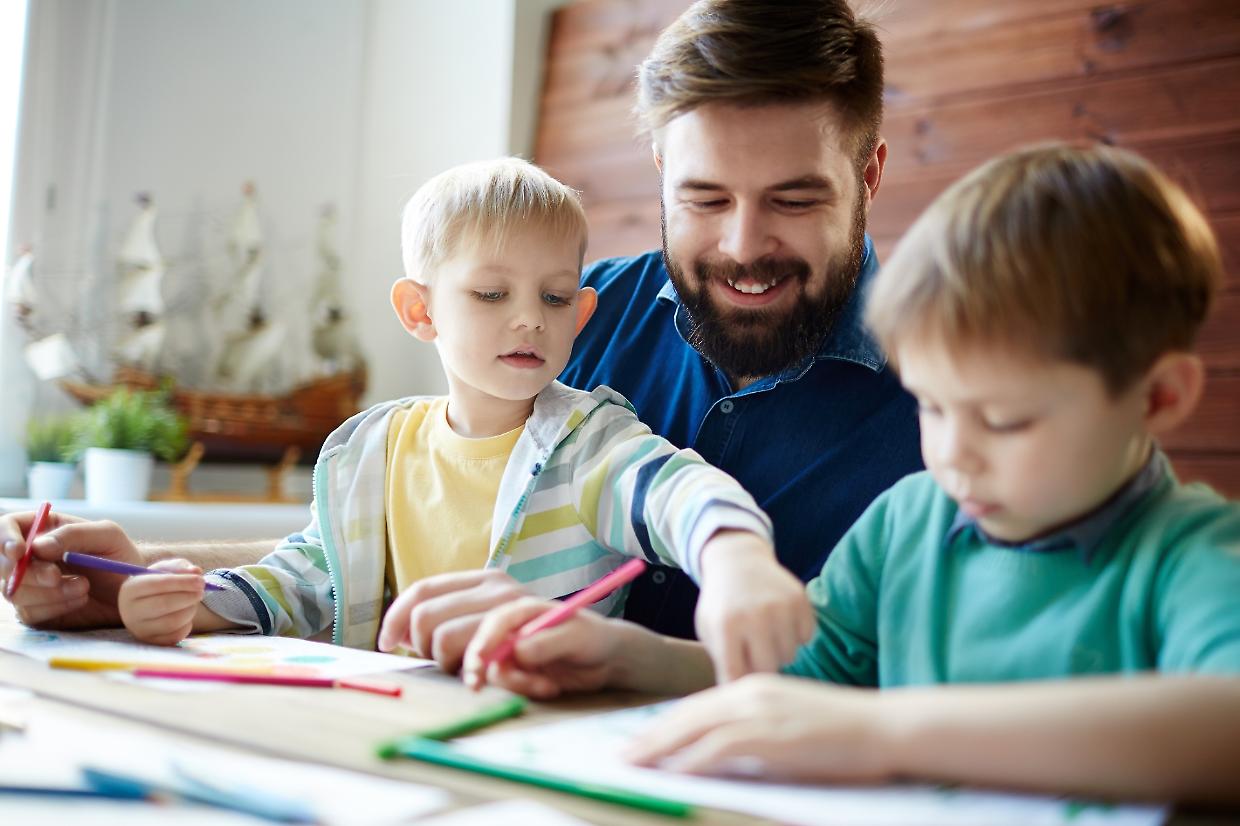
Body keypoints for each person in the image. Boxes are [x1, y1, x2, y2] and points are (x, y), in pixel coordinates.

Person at [2, 0, 922, 661]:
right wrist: (140, 579)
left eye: (795, 200)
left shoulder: (956, 397)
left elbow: (933, 686)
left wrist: (639, 657)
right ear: (658, 169)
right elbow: (370, 542)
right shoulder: (567, 317)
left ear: (871, 174)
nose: (743, 245)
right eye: (705, 197)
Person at [457, 144, 1240, 803]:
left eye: (1004, 420)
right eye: (932, 407)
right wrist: (626, 655)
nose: (953, 455)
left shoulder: (1190, 554)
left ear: (1159, 396)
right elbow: (800, 682)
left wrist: (884, 733)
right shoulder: (911, 520)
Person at [106, 158, 811, 671]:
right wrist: (197, 601)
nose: (531, 319)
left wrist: (735, 557)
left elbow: (681, 492)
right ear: (420, 311)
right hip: (385, 725)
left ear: (582, 315)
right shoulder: (371, 452)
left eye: (556, 297)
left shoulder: (591, 441)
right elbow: (305, 574)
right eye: (492, 295)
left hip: (539, 732)